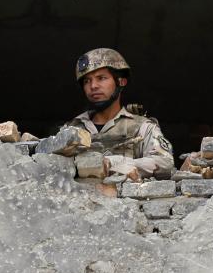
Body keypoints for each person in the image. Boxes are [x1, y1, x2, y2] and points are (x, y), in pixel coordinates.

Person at [63, 48, 175, 178]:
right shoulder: (71, 129)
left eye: (101, 78)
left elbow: (166, 163)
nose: (93, 86)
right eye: (87, 81)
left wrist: (114, 163)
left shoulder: (143, 128)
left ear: (121, 82)